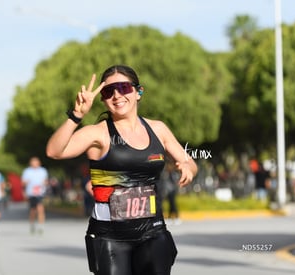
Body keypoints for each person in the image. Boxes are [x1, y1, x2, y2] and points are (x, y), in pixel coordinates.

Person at [46, 65, 197, 275]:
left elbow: (189, 161)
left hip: (153, 231)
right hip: (110, 237)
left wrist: (187, 166)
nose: (117, 96)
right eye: (108, 92)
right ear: (103, 99)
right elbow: (54, 151)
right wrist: (76, 116)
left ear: (138, 92)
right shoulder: (97, 134)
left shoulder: (158, 129)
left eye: (124, 88)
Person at [21, 156, 48, 235]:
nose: (34, 163)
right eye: (33, 162)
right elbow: (23, 183)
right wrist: (26, 182)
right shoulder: (27, 171)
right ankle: (32, 224)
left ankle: (41, 226)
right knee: (33, 210)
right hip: (31, 193)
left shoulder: (43, 171)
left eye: (36, 162)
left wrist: (45, 183)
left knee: (40, 209)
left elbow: (46, 181)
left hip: (40, 192)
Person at [161, 159, 181, 225]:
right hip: (167, 191)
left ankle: (176, 217)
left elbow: (175, 182)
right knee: (168, 205)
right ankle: (169, 218)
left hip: (172, 191)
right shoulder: (165, 173)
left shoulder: (173, 173)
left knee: (173, 205)